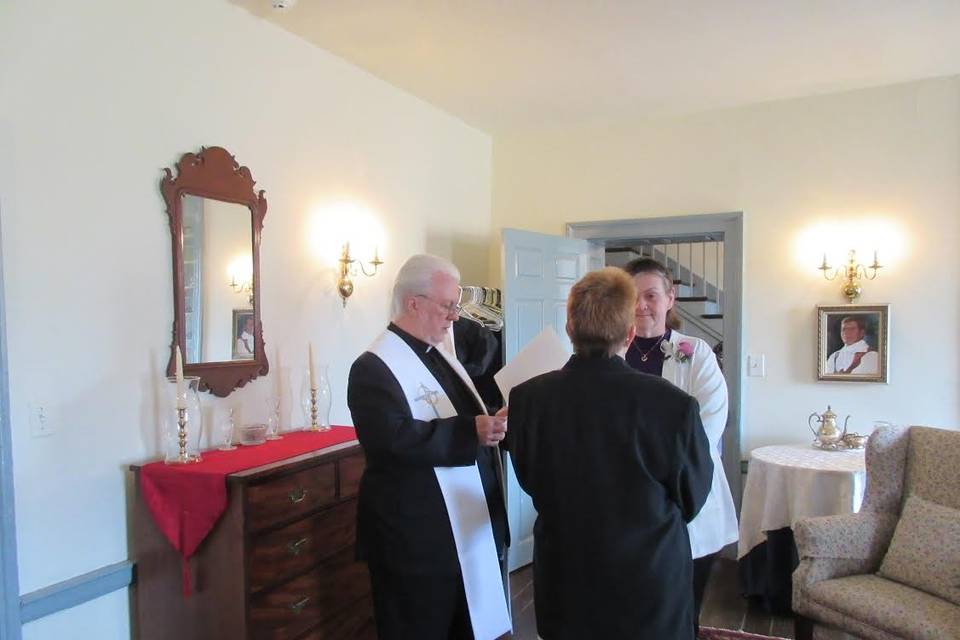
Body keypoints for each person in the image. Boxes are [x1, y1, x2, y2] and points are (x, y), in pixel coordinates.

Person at [506, 267, 713, 640]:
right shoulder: (673, 405)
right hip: (647, 578)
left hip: (564, 571)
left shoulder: (525, 399)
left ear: (570, 329)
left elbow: (529, 479)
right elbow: (692, 496)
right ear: (630, 334)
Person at [347, 254, 511, 640]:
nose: (456, 316)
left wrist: (492, 421)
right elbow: (391, 441)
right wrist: (471, 431)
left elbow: (459, 415)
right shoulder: (373, 367)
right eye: (448, 306)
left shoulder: (439, 354)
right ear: (413, 303)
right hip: (414, 541)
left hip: (458, 535)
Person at [622, 257, 739, 634]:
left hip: (687, 489)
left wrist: (656, 465)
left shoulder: (696, 352)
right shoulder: (612, 353)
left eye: (651, 296)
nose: (642, 305)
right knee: (636, 600)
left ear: (670, 299)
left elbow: (710, 420)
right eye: (634, 297)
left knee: (683, 598)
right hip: (630, 497)